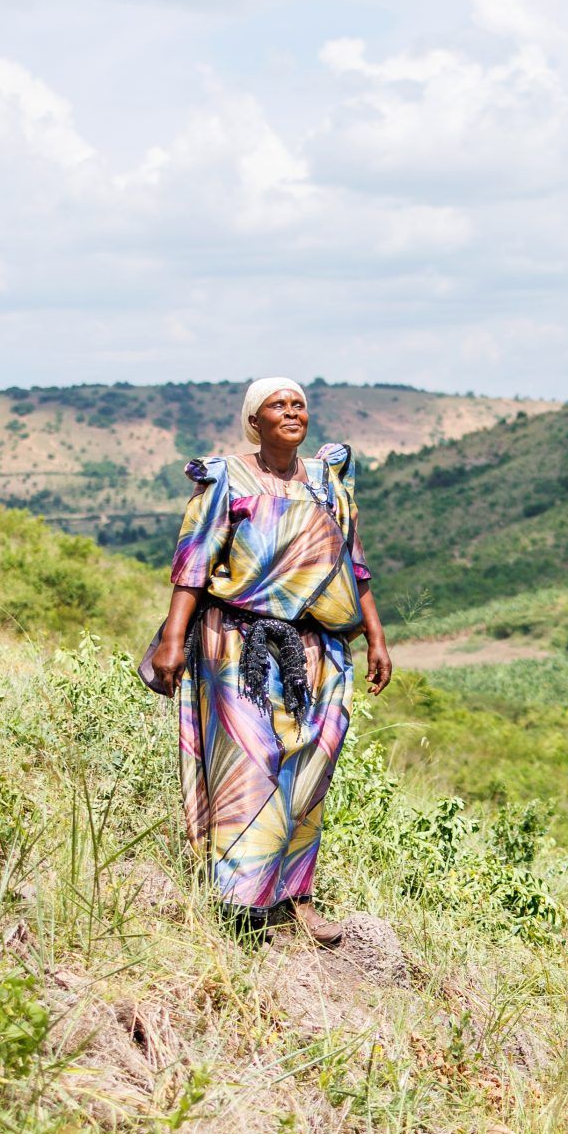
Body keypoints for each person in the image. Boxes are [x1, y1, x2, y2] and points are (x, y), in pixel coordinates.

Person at [142, 377, 391, 942]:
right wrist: (173, 639)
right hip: (238, 641)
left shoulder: (327, 483)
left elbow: (354, 566)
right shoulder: (227, 479)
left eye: (299, 404)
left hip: (318, 645)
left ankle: (296, 895)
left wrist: (376, 637)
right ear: (254, 421)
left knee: (311, 765)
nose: (292, 412)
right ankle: (241, 903)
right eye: (278, 405)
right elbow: (193, 564)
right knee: (250, 760)